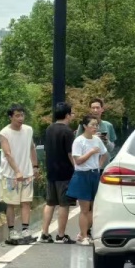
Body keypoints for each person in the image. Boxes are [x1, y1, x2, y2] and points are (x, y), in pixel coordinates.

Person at [0, 104, 39, 243]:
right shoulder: (4, 133)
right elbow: (8, 153)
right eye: (17, 116)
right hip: (10, 175)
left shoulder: (28, 130)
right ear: (10, 117)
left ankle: (26, 230)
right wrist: (17, 171)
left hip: (27, 173)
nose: (20, 118)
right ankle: (11, 232)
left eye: (22, 115)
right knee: (11, 203)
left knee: (26, 202)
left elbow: (32, 147)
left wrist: (35, 166)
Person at [66, 114, 108, 244]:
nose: (95, 127)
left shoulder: (97, 140)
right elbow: (77, 160)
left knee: (94, 208)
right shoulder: (79, 141)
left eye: (96, 125)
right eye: (92, 125)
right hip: (82, 174)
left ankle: (83, 232)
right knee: (84, 208)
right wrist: (91, 152)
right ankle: (84, 236)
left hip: (95, 174)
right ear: (85, 126)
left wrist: (99, 165)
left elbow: (104, 153)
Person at [42, 101, 76, 244]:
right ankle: (61, 235)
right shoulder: (67, 132)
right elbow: (70, 153)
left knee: (50, 202)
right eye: (71, 113)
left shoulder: (49, 129)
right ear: (67, 115)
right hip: (64, 172)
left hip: (51, 171)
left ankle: (44, 233)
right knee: (64, 204)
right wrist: (76, 168)